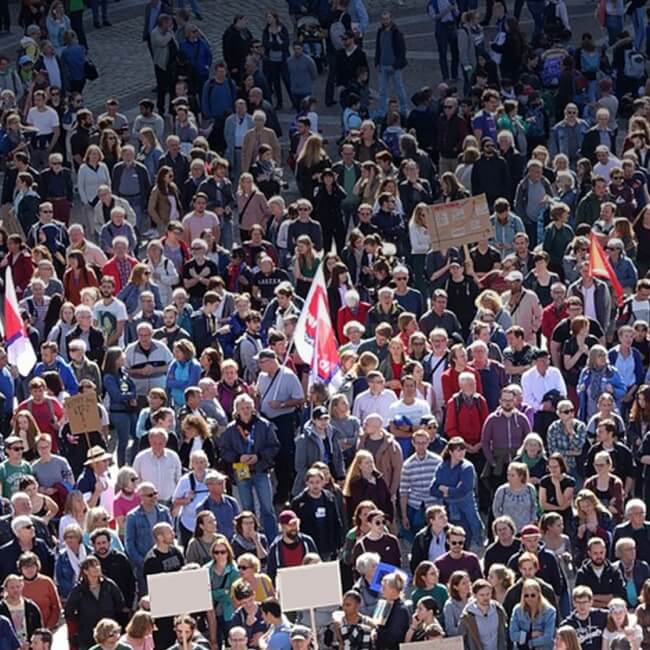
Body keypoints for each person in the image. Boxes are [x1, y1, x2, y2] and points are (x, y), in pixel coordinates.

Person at [458, 579, 508, 650]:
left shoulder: (498, 610)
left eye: (488, 594)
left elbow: (504, 632)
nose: (486, 597)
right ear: (475, 596)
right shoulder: (467, 617)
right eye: (482, 595)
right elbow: (462, 639)